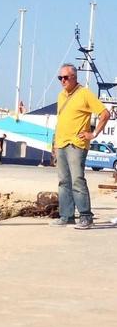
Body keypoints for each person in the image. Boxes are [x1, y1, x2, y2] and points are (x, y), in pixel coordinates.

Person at [52, 63, 110, 229]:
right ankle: (66, 216)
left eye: (65, 77)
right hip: (61, 143)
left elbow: (104, 113)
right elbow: (61, 120)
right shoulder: (61, 95)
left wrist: (94, 133)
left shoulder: (85, 94)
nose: (62, 81)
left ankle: (86, 216)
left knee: (77, 179)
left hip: (76, 144)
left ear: (74, 78)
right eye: (60, 78)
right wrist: (55, 144)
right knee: (63, 181)